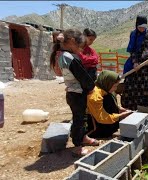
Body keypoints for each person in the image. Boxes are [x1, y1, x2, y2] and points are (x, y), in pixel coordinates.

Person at [50, 29, 98, 157]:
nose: (82, 50)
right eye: (80, 47)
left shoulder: (63, 55)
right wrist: (91, 87)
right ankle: (78, 146)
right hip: (77, 94)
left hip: (73, 93)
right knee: (79, 120)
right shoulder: (69, 58)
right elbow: (82, 76)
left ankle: (83, 137)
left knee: (81, 117)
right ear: (72, 42)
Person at [121, 15, 148, 110]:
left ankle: (146, 106)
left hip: (147, 64)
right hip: (135, 62)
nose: (142, 29)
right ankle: (131, 107)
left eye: (144, 27)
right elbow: (132, 50)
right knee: (131, 82)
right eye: (140, 27)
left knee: (146, 85)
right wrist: (135, 62)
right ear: (136, 25)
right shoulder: (133, 34)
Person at [86, 70, 133, 138]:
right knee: (108, 99)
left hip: (103, 121)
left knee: (110, 96)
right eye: (114, 86)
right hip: (94, 126)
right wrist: (120, 116)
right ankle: (107, 129)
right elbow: (101, 118)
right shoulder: (95, 96)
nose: (116, 89)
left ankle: (112, 126)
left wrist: (119, 108)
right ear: (107, 82)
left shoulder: (103, 88)